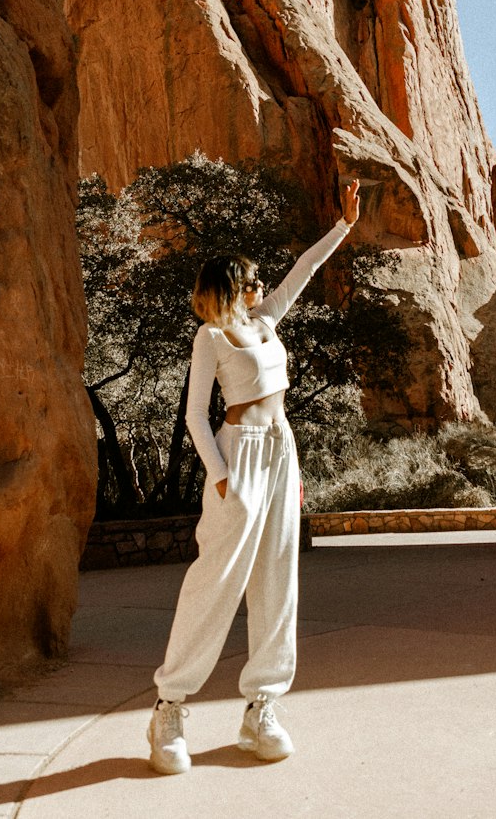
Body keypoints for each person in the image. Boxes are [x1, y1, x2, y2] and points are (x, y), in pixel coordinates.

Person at [147, 176, 361, 775]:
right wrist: (219, 477)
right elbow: (194, 414)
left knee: (277, 580)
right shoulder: (210, 336)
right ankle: (170, 706)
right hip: (237, 456)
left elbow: (303, 270)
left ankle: (261, 708)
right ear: (232, 286)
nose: (263, 286)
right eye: (252, 279)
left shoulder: (267, 322)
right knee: (215, 580)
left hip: (280, 451)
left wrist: (343, 224)